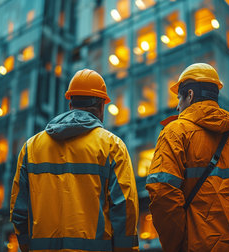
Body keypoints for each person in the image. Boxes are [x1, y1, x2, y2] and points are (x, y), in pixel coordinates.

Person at [146, 63, 229, 251]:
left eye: (179, 99)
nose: (177, 107)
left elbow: (162, 193)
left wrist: (177, 245)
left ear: (189, 95)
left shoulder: (174, 134)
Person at [10, 69, 139, 252]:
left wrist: (27, 247)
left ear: (71, 104)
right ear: (102, 106)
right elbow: (125, 212)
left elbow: (19, 213)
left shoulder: (31, 148)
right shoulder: (113, 147)